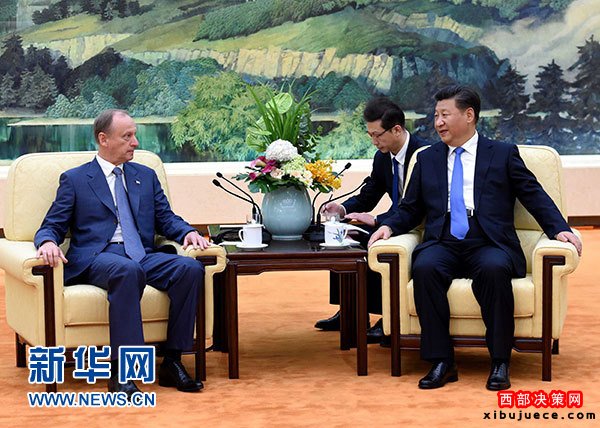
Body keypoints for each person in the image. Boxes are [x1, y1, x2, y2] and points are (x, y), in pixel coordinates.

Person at [368, 85, 582, 390]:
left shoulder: (502, 154)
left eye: (445, 115)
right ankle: (442, 361)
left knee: (494, 269)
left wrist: (559, 228)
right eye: (436, 115)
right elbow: (410, 208)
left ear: (469, 115)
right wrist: (389, 227)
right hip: (443, 240)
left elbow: (533, 195)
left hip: (488, 241)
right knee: (425, 268)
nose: (438, 122)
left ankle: (500, 361)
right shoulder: (427, 159)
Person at [34, 109, 211, 398]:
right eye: (127, 136)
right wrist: (47, 243)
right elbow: (52, 224)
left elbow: (165, 218)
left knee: (189, 269)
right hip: (99, 257)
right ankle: (123, 373)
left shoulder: (146, 176)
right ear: (103, 139)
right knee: (127, 271)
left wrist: (187, 232)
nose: (135, 143)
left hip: (141, 253)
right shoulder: (76, 180)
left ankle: (172, 361)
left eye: (134, 135)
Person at [315, 97, 429, 345]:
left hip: (420, 225)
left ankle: (387, 317)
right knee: (344, 237)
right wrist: (343, 209)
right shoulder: (382, 157)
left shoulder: (425, 154)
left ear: (396, 129)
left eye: (377, 135)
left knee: (375, 245)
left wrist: (378, 220)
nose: (374, 141)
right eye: (370, 135)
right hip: (395, 221)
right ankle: (351, 311)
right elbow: (369, 194)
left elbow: (419, 207)